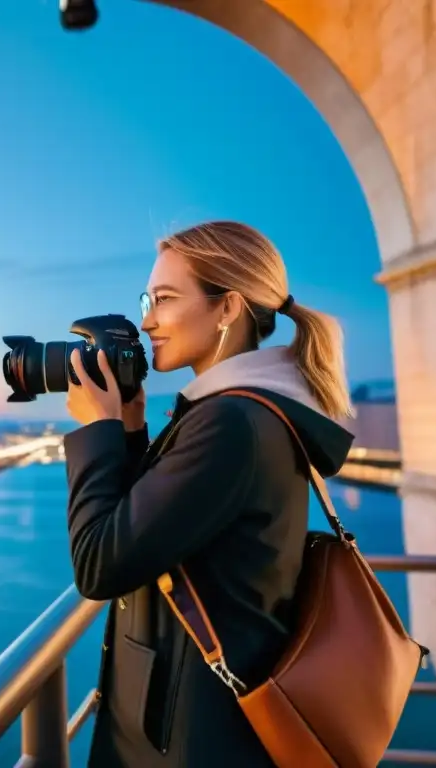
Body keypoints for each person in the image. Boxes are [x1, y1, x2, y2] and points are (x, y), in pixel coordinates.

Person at [62, 221, 355, 767]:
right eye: (149, 299)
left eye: (166, 299)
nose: (147, 319)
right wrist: (128, 430)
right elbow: (155, 525)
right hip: (194, 722)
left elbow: (98, 564)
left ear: (227, 309)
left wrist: (94, 432)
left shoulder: (231, 424)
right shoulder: (238, 411)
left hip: (192, 739)